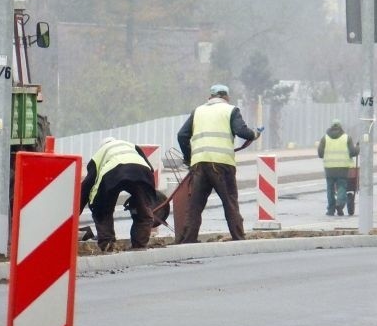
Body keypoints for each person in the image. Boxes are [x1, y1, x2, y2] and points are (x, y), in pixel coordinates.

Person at [175, 84, 260, 242]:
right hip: (222, 165)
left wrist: (189, 158)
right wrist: (254, 134)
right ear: (226, 97)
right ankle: (238, 237)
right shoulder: (230, 110)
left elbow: (181, 135)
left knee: (195, 205)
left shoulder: (198, 111)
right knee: (229, 201)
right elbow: (242, 131)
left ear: (210, 97)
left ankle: (188, 240)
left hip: (199, 164)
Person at [79, 137, 157, 251]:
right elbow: (150, 168)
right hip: (141, 172)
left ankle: (107, 243)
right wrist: (143, 199)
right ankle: (139, 245)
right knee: (144, 212)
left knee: (102, 210)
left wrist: (77, 210)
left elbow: (88, 184)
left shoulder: (99, 154)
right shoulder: (131, 146)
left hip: (112, 174)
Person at [317, 119, 359, 216]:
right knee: (342, 186)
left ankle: (331, 210)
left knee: (330, 189)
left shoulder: (325, 138)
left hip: (329, 168)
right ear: (340, 127)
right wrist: (358, 148)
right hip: (342, 167)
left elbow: (320, 154)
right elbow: (352, 152)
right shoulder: (347, 138)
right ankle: (339, 204)